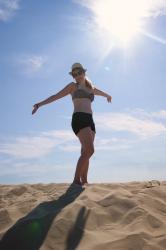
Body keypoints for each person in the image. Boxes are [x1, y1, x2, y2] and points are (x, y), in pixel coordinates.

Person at [32, 63, 112, 186]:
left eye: (79, 72)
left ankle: (84, 181)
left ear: (84, 72)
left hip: (90, 120)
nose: (77, 75)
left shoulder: (90, 87)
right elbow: (55, 96)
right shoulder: (73, 86)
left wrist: (107, 95)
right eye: (74, 74)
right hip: (79, 118)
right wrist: (39, 104)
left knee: (85, 152)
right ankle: (76, 180)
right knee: (90, 150)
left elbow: (99, 92)